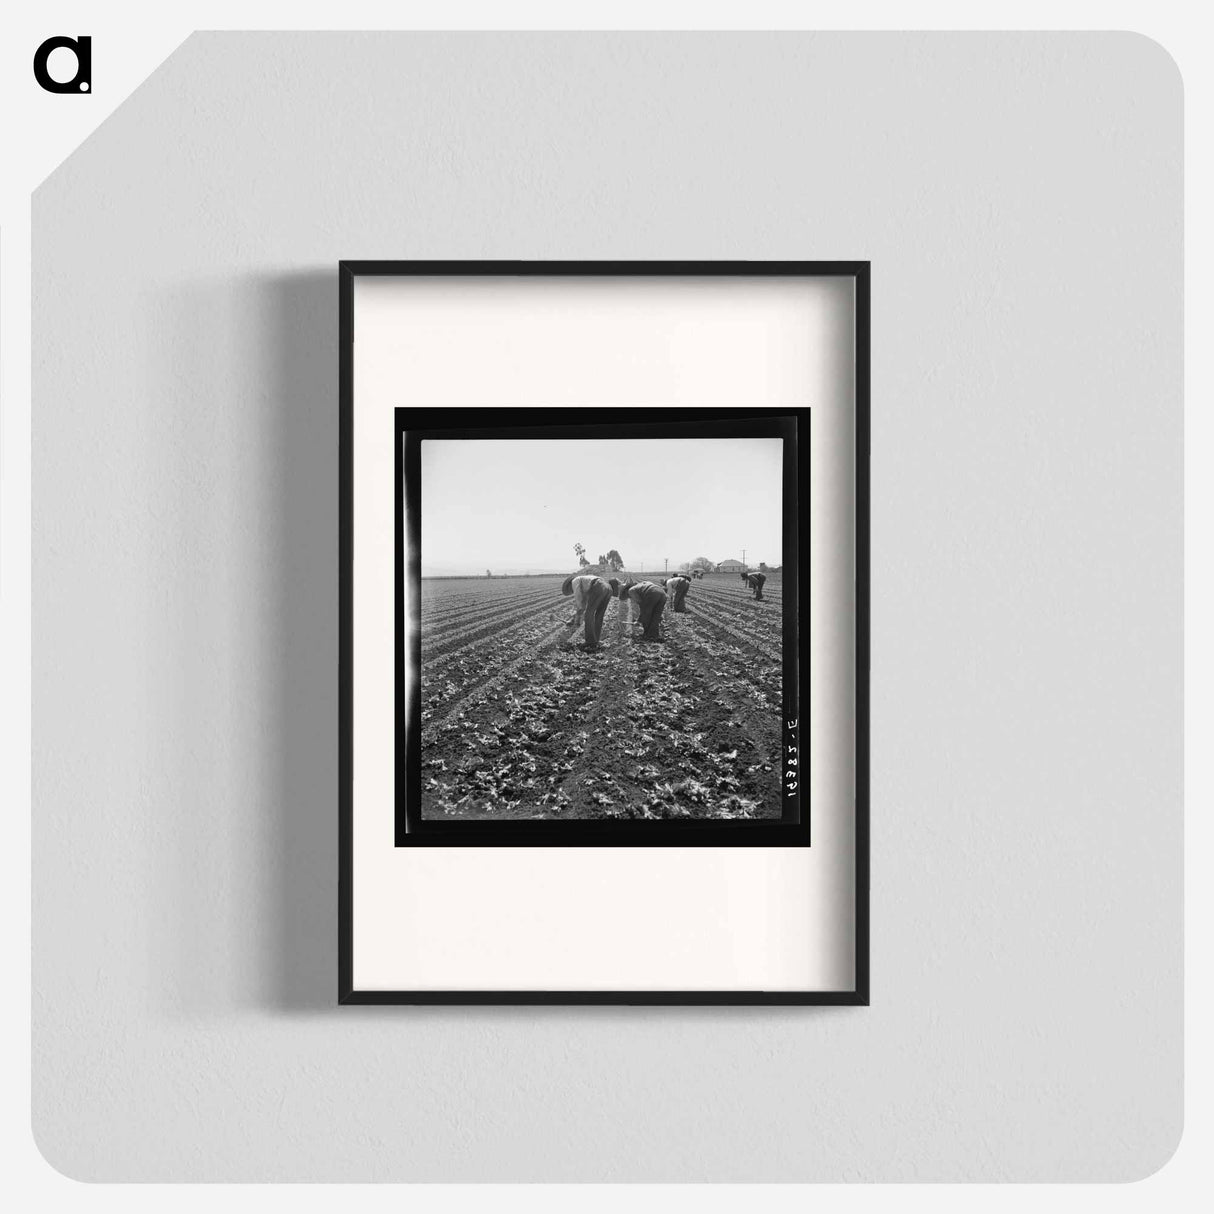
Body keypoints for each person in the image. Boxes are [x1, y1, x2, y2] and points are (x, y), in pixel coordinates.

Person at [561, 572, 619, 650]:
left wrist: (574, 621)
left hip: (598, 586)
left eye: (570, 592)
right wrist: (574, 619)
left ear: (569, 587)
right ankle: (596, 640)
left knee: (588, 615)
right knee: (599, 615)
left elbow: (580, 604)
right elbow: (584, 605)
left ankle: (590, 642)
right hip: (608, 588)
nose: (571, 592)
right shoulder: (584, 582)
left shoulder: (575, 582)